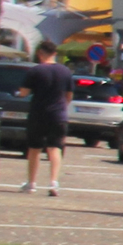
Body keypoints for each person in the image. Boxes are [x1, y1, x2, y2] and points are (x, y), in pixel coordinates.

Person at [20, 39, 76, 198]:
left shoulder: (35, 71)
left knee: (34, 148)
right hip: (58, 115)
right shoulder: (65, 71)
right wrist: (62, 106)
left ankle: (31, 183)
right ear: (55, 53)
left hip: (38, 113)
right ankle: (53, 183)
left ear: (39, 53)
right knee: (55, 147)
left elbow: (24, 92)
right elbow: (69, 95)